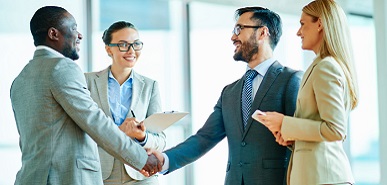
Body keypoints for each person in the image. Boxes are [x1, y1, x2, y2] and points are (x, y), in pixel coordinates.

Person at [150, 6, 303, 185]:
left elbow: (300, 139)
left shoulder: (290, 79)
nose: (233, 37)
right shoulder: (230, 92)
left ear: (263, 33)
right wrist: (165, 159)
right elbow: (205, 138)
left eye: (239, 29)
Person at [10, 6, 160, 185]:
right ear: (53, 34)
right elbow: (96, 122)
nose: (79, 35)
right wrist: (141, 158)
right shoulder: (62, 68)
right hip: (66, 178)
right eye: (73, 28)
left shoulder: (20, 80)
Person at [257, 0, 357, 184]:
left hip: (326, 179)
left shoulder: (326, 67)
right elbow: (322, 130)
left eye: (303, 24)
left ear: (319, 24)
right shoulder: (321, 66)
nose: (298, 32)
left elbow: (335, 130)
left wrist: (284, 122)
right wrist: (291, 135)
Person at [84, 21, 166, 185]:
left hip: (142, 174)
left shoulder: (150, 86)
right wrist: (118, 132)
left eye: (136, 44)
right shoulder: (87, 83)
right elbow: (80, 133)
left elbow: (161, 141)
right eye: (123, 45)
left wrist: (142, 136)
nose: (131, 51)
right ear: (108, 49)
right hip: (100, 174)